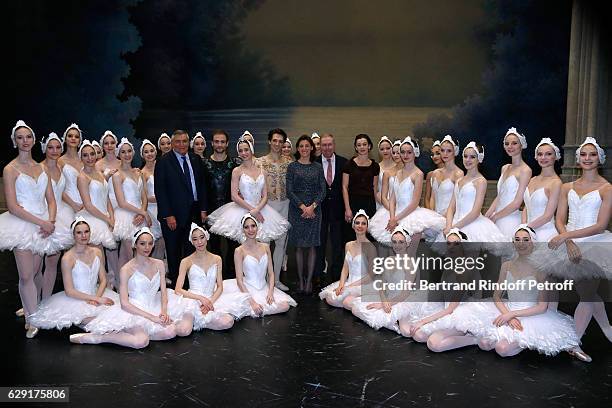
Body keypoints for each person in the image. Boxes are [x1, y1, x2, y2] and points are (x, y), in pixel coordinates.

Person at [530, 137, 612, 356]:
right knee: (552, 284)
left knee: (586, 293)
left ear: (599, 159)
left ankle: (572, 342)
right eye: (583, 155)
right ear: (578, 159)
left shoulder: (606, 188)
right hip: (568, 238)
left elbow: (600, 225)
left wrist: (569, 237)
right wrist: (567, 239)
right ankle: (604, 329)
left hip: (594, 242)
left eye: (592, 155)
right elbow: (559, 220)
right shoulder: (567, 187)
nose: (587, 158)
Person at [450, 225, 584, 359]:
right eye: (517, 239)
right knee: (484, 344)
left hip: (530, 315)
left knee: (502, 349)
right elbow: (496, 296)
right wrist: (507, 314)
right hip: (508, 310)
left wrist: (512, 315)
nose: (521, 243)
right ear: (513, 242)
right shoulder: (506, 265)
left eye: (526, 240)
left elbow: (542, 307)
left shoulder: (541, 270)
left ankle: (529, 339)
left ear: (533, 242)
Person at [0, 121, 71, 338]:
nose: (25, 141)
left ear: (32, 140)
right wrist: (41, 223)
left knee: (39, 269)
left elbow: (51, 200)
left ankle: (37, 309)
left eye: (28, 137)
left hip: (44, 225)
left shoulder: (41, 168)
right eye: (20, 137)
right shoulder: (10, 169)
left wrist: (50, 221)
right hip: (22, 224)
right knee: (26, 274)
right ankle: (31, 319)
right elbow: (12, 206)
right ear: (15, 141)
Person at [75, 227, 193, 347]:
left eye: (150, 243)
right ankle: (98, 337)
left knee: (171, 332)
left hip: (154, 304)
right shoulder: (126, 269)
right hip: (134, 310)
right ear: (135, 245)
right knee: (141, 342)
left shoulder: (159, 264)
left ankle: (140, 331)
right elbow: (124, 304)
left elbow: (163, 293)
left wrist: (163, 312)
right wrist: (152, 318)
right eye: (142, 244)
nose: (147, 247)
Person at [29, 217, 119, 333]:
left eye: (86, 232)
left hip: (97, 293)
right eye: (79, 232)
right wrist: (95, 299)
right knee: (100, 322)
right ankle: (88, 332)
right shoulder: (68, 258)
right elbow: (69, 291)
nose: (83, 236)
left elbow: (103, 280)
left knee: (116, 315)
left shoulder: (97, 252)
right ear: (73, 235)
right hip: (76, 299)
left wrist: (97, 297)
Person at [207, 137, 290, 243]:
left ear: (251, 150)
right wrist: (252, 210)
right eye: (240, 151)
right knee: (245, 245)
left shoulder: (262, 171)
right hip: (242, 209)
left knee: (262, 244)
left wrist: (257, 209)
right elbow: (234, 196)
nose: (243, 153)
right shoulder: (236, 171)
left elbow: (265, 196)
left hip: (261, 209)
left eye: (246, 149)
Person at [369, 136, 445, 245]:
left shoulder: (418, 174)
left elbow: (414, 203)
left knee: (410, 254)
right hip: (394, 214)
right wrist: (392, 217)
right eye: (403, 152)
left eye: (409, 152)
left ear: (415, 153)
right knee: (395, 252)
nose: (405, 155)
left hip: (411, 216)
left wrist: (397, 219)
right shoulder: (398, 173)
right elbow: (392, 199)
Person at [154, 130, 208, 284]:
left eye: (185, 141)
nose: (182, 144)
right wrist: (168, 214)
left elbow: (202, 185)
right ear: (172, 143)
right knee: (174, 250)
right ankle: (177, 284)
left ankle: (192, 282)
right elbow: (160, 190)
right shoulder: (163, 162)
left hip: (194, 212)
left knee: (192, 248)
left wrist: (203, 208)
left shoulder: (195, 159)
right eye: (178, 141)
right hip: (173, 215)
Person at [174, 223, 251, 330]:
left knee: (228, 322)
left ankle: (200, 321)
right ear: (191, 241)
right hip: (193, 299)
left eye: (202, 237)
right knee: (184, 330)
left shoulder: (217, 259)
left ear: (207, 237)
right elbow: (178, 289)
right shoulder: (186, 261)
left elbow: (220, 286)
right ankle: (197, 319)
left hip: (212, 298)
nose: (199, 242)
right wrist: (201, 299)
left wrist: (210, 302)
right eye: (195, 239)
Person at [223, 214, 297, 317]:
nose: (250, 230)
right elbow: (239, 280)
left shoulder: (265, 247)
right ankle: (252, 309)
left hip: (264, 287)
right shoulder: (239, 251)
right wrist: (252, 302)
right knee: (240, 307)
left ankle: (256, 311)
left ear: (257, 227)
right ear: (243, 230)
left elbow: (271, 274)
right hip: (247, 288)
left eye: (253, 226)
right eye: (246, 227)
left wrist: (270, 292)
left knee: (285, 306)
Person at [351, 226, 421, 333]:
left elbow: (405, 293)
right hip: (386, 297)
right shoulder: (389, 259)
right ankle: (389, 322)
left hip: (401, 299)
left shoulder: (411, 264)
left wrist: (387, 303)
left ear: (407, 243)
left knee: (406, 332)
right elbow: (382, 284)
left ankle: (392, 322)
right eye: (394, 242)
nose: (397, 245)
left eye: (401, 242)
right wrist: (383, 300)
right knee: (356, 308)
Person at [439, 142, 507, 247]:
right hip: (454, 223)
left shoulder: (481, 181)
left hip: (471, 224)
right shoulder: (459, 180)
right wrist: (449, 226)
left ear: (479, 159)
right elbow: (451, 207)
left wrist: (454, 228)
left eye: (472, 157)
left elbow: (475, 212)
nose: (468, 160)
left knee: (469, 261)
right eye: (465, 156)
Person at [286, 135, 326, 294]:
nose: (304, 149)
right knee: (299, 247)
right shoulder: (292, 167)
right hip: (297, 211)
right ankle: (301, 281)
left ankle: (309, 281)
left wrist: (312, 207)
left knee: (311, 247)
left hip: (315, 211)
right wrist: (303, 207)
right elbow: (289, 190)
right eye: (301, 146)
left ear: (312, 148)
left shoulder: (318, 167)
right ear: (298, 149)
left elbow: (322, 190)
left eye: (307, 146)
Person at [76, 141, 118, 284]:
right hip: (93, 218)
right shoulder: (82, 177)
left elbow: (106, 198)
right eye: (85, 155)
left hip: (104, 217)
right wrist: (107, 219)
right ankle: (95, 289)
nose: (90, 158)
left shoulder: (100, 174)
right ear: (81, 158)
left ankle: (103, 286)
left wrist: (112, 217)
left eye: (92, 154)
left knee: (101, 258)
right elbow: (88, 205)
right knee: (96, 258)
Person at [40, 132, 74, 300]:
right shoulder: (39, 168)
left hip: (62, 214)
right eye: (50, 147)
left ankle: (45, 299)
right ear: (44, 148)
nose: (54, 151)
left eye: (58, 147)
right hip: (43, 215)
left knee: (53, 261)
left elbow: (63, 193)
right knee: (36, 265)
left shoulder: (62, 168)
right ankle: (31, 302)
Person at [319, 210, 376, 310]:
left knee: (346, 301)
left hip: (362, 284)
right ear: (353, 226)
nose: (360, 226)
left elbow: (371, 275)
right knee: (331, 298)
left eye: (363, 223)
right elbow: (345, 268)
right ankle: (353, 302)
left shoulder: (371, 248)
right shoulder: (348, 245)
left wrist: (351, 286)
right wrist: (341, 284)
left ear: (367, 227)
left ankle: (359, 301)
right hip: (350, 281)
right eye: (357, 223)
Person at [257, 128, 292, 290]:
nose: (277, 144)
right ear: (269, 141)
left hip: (285, 204)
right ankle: (263, 280)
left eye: (280, 141)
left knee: (280, 243)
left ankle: (276, 280)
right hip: (266, 206)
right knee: (264, 243)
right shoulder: (260, 162)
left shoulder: (289, 163)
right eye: (275, 140)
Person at [203, 129, 240, 278]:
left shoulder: (234, 164)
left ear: (227, 144)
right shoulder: (205, 163)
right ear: (212, 143)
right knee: (214, 247)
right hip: (212, 211)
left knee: (232, 246)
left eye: (222, 142)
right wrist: (203, 210)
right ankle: (216, 279)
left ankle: (231, 278)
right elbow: (202, 189)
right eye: (216, 141)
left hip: (231, 210)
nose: (219, 144)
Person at [112, 138, 151, 270]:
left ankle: (122, 282)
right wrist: (143, 212)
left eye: (129, 151)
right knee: (131, 253)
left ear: (133, 153)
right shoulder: (117, 175)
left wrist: (142, 211)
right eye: (123, 152)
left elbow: (144, 196)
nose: (127, 154)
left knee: (128, 253)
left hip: (139, 214)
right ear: (119, 154)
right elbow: (121, 202)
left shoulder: (137, 172)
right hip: (126, 215)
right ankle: (127, 282)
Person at [485, 127, 531, 238]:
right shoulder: (505, 168)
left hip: (510, 219)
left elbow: (517, 202)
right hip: (497, 215)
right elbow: (500, 196)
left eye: (514, 143)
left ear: (521, 145)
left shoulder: (525, 170)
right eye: (507, 143)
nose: (509, 146)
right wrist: (488, 214)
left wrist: (497, 216)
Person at [316, 133, 348, 283]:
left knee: (337, 244)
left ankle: (336, 277)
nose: (327, 148)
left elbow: (347, 188)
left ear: (334, 145)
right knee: (319, 244)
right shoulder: (314, 163)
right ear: (320, 146)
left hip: (338, 211)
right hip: (319, 211)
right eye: (324, 145)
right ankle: (319, 275)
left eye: (329, 144)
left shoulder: (344, 162)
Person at [522, 138, 562, 242]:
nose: (543, 157)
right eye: (540, 154)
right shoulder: (532, 179)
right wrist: (522, 227)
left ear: (555, 157)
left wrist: (526, 229)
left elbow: (548, 216)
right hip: (527, 232)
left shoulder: (556, 183)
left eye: (548, 154)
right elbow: (526, 207)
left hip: (544, 233)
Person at [95, 130, 121, 287]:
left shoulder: (121, 162)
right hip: (106, 204)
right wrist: (106, 177)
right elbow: (96, 186)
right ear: (102, 145)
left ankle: (119, 277)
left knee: (121, 245)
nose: (110, 146)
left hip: (121, 204)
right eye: (106, 143)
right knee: (109, 245)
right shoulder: (98, 164)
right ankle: (109, 279)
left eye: (112, 143)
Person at [342, 134, 379, 240]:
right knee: (351, 236)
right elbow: (344, 187)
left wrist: (378, 209)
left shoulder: (375, 166)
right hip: (353, 203)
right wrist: (347, 209)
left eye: (364, 144)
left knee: (368, 236)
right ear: (355, 147)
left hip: (369, 204)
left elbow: (375, 188)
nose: (362, 147)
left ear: (369, 146)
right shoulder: (348, 164)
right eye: (359, 145)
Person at [140, 139, 166, 260]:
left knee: (164, 240)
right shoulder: (142, 173)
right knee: (154, 240)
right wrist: (160, 198)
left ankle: (163, 267)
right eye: (146, 152)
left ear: (156, 152)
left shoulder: (163, 167)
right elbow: (143, 195)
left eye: (151, 151)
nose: (149, 154)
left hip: (164, 207)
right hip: (151, 209)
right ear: (142, 155)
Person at [429, 135, 464, 216]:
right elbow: (432, 198)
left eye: (449, 151)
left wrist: (444, 218)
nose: (445, 154)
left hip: (449, 216)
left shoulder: (458, 174)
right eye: (442, 150)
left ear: (455, 152)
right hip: (434, 216)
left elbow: (456, 201)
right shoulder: (435, 173)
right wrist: (432, 215)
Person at [375, 136, 396, 211]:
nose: (385, 151)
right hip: (381, 203)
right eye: (382, 149)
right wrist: (385, 203)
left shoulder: (398, 167)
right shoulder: (376, 167)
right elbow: (375, 189)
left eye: (388, 148)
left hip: (397, 203)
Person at [424, 139, 444, 210]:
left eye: (438, 153)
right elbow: (426, 198)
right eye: (432, 154)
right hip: (433, 213)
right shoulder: (430, 174)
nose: (434, 157)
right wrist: (431, 215)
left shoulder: (455, 173)